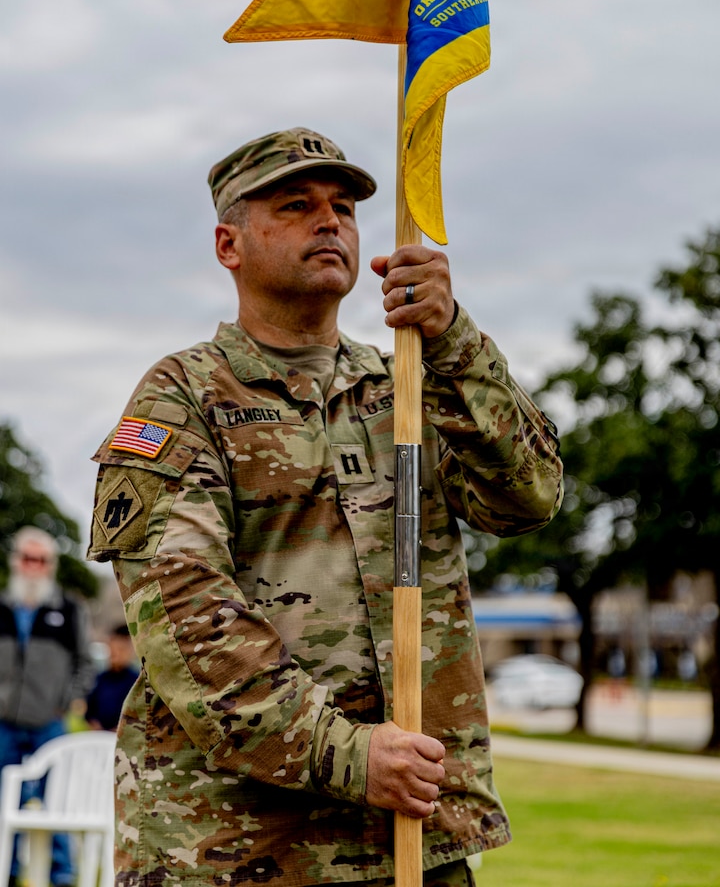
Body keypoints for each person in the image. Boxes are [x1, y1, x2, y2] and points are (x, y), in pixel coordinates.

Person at [87, 127, 563, 887]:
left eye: (343, 206)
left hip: (413, 840)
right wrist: (348, 754)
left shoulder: (407, 386)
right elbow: (185, 622)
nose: (330, 221)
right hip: (242, 848)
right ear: (228, 244)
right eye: (296, 204)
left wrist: (455, 343)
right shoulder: (183, 397)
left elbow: (529, 498)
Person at [0, 525, 95, 887]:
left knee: (56, 802)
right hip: (3, 723)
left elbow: (85, 663)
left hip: (49, 722)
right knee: (1, 800)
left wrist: (67, 699)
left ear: (51, 564)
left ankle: (62, 877)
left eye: (41, 559)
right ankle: (5, 871)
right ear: (16, 560)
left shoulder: (69, 609)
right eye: (27, 557)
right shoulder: (3, 605)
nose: (33, 566)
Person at [85, 624, 139, 732]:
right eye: (113, 650)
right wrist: (93, 724)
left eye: (120, 650)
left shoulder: (136, 682)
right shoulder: (100, 678)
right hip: (99, 735)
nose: (115, 655)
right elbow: (89, 709)